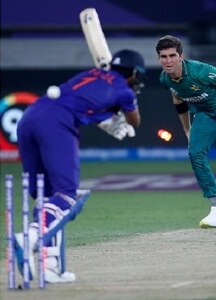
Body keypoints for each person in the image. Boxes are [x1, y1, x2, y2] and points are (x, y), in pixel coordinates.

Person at [15, 49, 145, 283]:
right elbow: (135, 120)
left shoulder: (90, 73)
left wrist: (107, 119)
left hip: (30, 115)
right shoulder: (124, 91)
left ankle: (51, 266)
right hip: (57, 122)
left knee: (47, 198)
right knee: (66, 195)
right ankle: (30, 237)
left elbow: (86, 100)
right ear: (134, 74)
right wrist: (120, 118)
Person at [156, 35, 216, 228]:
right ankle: (215, 208)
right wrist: (187, 129)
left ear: (181, 56)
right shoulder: (165, 79)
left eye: (172, 55)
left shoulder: (201, 71)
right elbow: (178, 100)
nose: (168, 60)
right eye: (163, 56)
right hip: (205, 115)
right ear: (159, 59)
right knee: (195, 153)